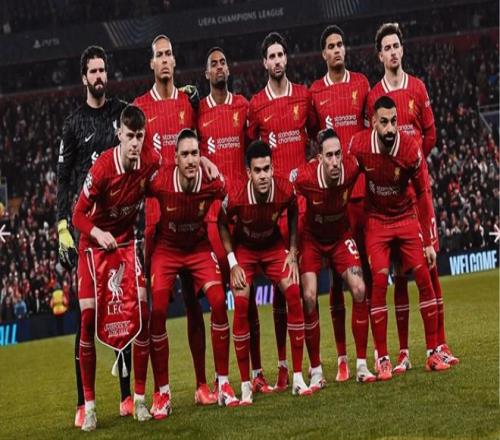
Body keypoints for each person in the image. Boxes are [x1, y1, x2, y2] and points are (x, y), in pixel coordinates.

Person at [367, 22, 458, 372]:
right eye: (387, 48)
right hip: (389, 200)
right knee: (401, 274)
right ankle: (403, 352)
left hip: (417, 194)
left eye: (396, 46)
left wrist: (413, 163)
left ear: (402, 50)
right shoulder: (375, 96)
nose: (393, 52)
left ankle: (440, 344)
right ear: (380, 55)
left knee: (429, 269)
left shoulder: (418, 88)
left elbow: (430, 134)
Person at [133, 34, 219, 406]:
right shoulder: (139, 107)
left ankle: (202, 385)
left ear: (174, 60)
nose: (165, 60)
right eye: (160, 55)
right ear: (152, 63)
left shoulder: (188, 102)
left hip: (191, 221)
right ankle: (160, 391)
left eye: (170, 54)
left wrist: (206, 160)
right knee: (155, 310)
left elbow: (197, 146)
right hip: (157, 223)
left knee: (194, 306)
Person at [72, 105, 161, 430]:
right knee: (87, 318)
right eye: (130, 136)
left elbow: (161, 184)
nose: (135, 142)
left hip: (124, 245)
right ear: (119, 134)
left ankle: (139, 400)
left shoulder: (150, 161)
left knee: (142, 314)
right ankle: (90, 407)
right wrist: (98, 233)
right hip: (93, 246)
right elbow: (77, 216)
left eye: (140, 136)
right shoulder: (102, 169)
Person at [56, 45, 132, 427]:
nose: (100, 76)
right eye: (93, 71)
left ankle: (126, 396)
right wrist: (62, 230)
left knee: (124, 311)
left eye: (103, 70)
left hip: (119, 229)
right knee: (87, 317)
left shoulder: (122, 112)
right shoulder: (73, 124)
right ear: (84, 77)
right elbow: (62, 181)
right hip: (87, 231)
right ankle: (82, 402)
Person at [349, 96, 450, 380]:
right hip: (376, 221)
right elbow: (345, 180)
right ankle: (383, 359)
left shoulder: (409, 148)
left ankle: (432, 353)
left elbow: (423, 194)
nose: (390, 128)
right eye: (384, 122)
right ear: (373, 122)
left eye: (394, 121)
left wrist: (428, 240)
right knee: (379, 281)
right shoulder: (359, 145)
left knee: (424, 276)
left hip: (405, 218)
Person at [147, 128, 239, 418]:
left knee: (219, 301)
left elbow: (230, 198)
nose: (190, 160)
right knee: (157, 310)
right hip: (167, 248)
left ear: (201, 156)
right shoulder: (160, 181)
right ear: (175, 158)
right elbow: (137, 185)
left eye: (195, 154)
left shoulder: (212, 181)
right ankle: (162, 392)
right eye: (185, 154)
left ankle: (223, 383)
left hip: (198, 247)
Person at [197, 46, 273, 394]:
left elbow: (255, 151)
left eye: (223, 62)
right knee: (218, 302)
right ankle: (221, 378)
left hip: (241, 216)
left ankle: (256, 372)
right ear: (206, 73)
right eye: (213, 63)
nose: (219, 67)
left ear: (229, 70)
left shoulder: (243, 106)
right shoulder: (198, 111)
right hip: (213, 219)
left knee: (246, 297)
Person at [247, 32, 315, 390]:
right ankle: (284, 365)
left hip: (302, 206)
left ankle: (314, 366)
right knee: (280, 289)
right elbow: (251, 151)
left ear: (287, 58)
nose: (276, 60)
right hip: (273, 212)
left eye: (280, 54)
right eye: (270, 56)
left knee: (305, 289)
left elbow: (316, 136)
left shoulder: (304, 96)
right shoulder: (256, 105)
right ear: (264, 62)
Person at [218, 140, 311, 403]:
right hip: (245, 252)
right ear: (249, 172)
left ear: (272, 168)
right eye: (257, 170)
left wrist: (292, 250)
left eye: (267, 169)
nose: (263, 175)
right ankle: (246, 386)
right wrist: (233, 262)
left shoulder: (284, 189)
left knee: (294, 293)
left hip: (273, 248)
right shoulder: (236, 195)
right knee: (241, 303)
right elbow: (221, 223)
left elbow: (293, 210)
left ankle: (297, 378)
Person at [309, 25, 371, 382]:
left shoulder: (361, 84)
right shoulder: (315, 92)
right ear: (323, 54)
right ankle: (343, 357)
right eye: (330, 46)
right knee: (334, 281)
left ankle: (373, 353)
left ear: (345, 49)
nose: (336, 50)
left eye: (340, 44)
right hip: (331, 199)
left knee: (362, 275)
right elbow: (313, 137)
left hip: (359, 193)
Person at [291, 128, 375, 385]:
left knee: (359, 288)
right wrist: (291, 248)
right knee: (308, 296)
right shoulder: (304, 176)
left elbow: (371, 158)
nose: (335, 161)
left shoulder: (351, 168)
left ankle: (362, 365)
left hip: (340, 236)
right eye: (329, 156)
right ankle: (316, 370)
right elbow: (284, 193)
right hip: (312, 240)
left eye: (338, 154)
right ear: (319, 158)